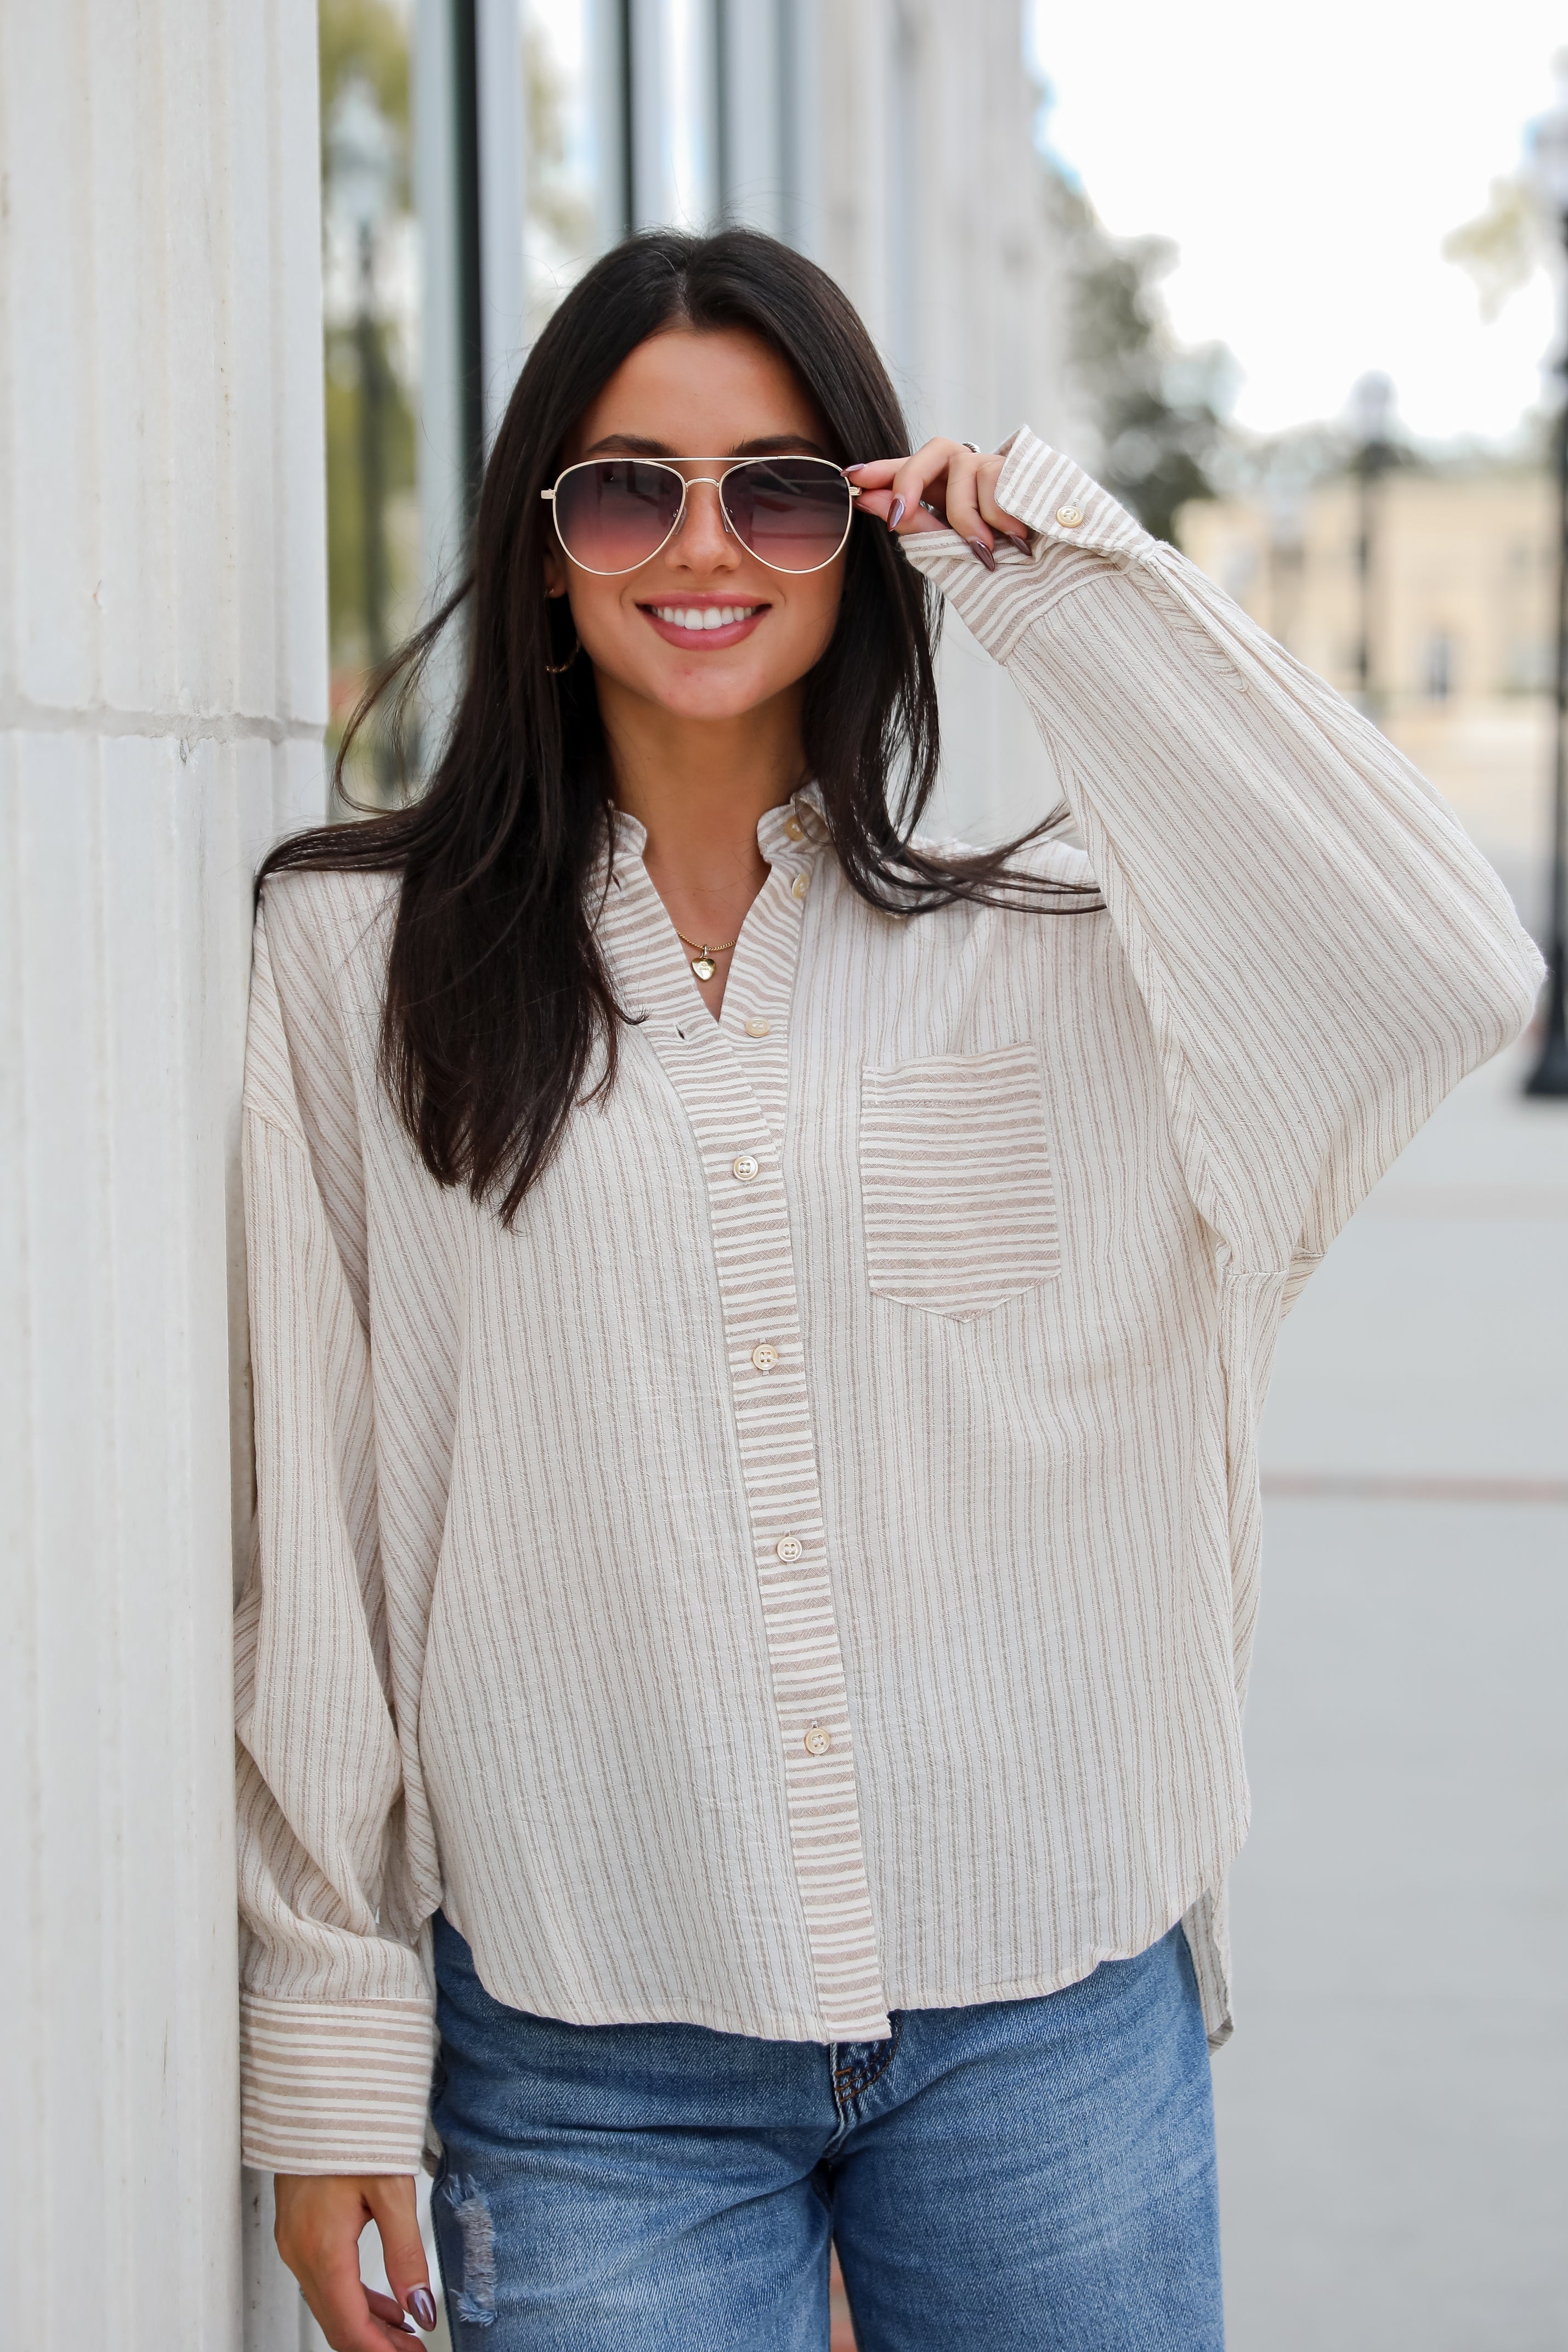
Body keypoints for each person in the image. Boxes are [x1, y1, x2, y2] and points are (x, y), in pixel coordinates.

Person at [238, 229, 1542, 2352]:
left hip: (1049, 2016)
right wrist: (328, 2049)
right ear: (543, 541)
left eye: (774, 486)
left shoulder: (1072, 957)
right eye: (625, 486)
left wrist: (1061, 572)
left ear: (860, 528)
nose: (701, 544)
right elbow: (313, 1550)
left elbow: (1452, 969)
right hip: (584, 2054)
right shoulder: (354, 962)